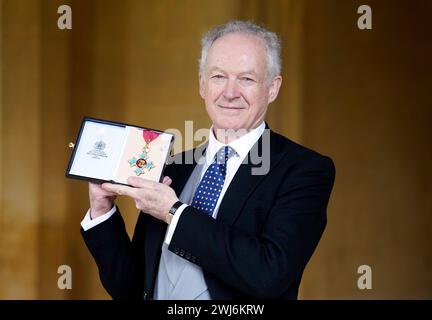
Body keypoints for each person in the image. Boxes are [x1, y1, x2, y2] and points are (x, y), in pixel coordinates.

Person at [81, 20, 335, 300]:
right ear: (202, 84)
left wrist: (173, 212)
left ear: (272, 88)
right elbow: (132, 289)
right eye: (218, 76)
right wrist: (102, 211)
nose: (229, 92)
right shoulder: (174, 167)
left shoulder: (303, 170)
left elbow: (269, 275)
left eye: (247, 79)